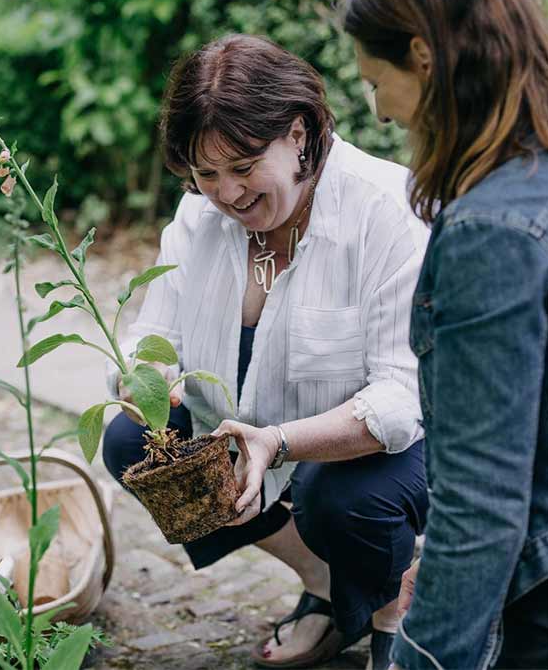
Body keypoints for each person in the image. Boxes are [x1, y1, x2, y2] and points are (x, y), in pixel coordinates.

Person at [103, 33, 429, 669]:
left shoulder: (386, 211)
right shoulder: (199, 216)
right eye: (206, 173)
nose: (227, 194)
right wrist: (143, 376)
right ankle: (329, 587)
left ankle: (398, 603)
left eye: (245, 167)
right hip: (264, 439)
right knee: (130, 442)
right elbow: (151, 337)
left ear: (299, 134)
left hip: (399, 447)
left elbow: (400, 399)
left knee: (337, 500)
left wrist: (279, 441)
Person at [340, 0, 548, 668]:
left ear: (424, 57)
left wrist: (424, 654)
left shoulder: (492, 231)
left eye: (377, 80)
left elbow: (483, 504)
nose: (379, 110)